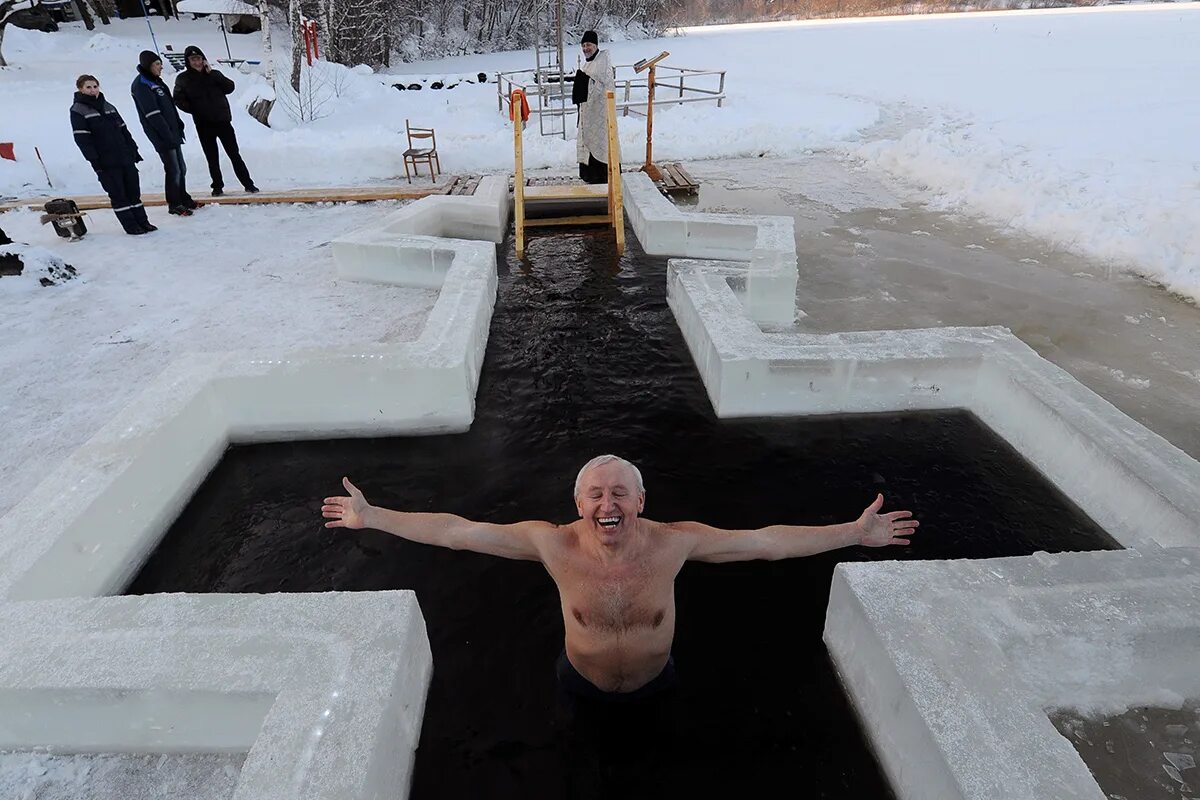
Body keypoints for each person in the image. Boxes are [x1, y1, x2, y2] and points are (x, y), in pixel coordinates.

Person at [321, 454, 918, 700]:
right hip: (578, 682)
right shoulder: (550, 544)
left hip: (660, 682)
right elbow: (456, 531)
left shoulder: (675, 543)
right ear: (579, 504)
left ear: (640, 501)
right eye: (596, 494)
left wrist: (850, 533)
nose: (608, 504)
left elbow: (763, 543)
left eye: (620, 494)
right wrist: (373, 517)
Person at [70, 74, 155, 235]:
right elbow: (82, 139)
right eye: (88, 87)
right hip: (105, 161)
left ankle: (143, 222)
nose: (92, 90)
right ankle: (131, 226)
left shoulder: (108, 106)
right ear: (80, 89)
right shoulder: (78, 110)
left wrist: (133, 151)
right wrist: (95, 161)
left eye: (95, 86)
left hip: (124, 157)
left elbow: (124, 130)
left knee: (133, 192)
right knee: (119, 195)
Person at [172, 45, 259, 197]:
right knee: (212, 157)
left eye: (198, 59)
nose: (197, 62)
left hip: (222, 121)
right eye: (193, 59)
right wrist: (195, 109)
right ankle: (217, 186)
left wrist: (212, 74)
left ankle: (248, 184)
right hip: (203, 124)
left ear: (203, 59)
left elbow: (230, 87)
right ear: (188, 61)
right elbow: (178, 100)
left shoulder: (214, 75)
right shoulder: (183, 79)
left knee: (234, 154)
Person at [130, 51, 198, 217]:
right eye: (157, 64)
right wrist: (166, 133)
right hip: (161, 134)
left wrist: (178, 123)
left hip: (172, 131)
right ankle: (174, 203)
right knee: (173, 169)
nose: (161, 67)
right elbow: (152, 114)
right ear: (148, 66)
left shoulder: (156, 81)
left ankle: (183, 197)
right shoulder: (142, 84)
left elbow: (168, 106)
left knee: (182, 167)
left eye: (160, 63)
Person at [571, 30, 618, 185]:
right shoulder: (590, 62)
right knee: (589, 142)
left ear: (596, 45)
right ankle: (591, 176)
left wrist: (581, 79)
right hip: (588, 112)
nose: (586, 48)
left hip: (601, 113)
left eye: (589, 45)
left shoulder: (602, 63)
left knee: (602, 143)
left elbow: (599, 85)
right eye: (583, 45)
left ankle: (602, 177)